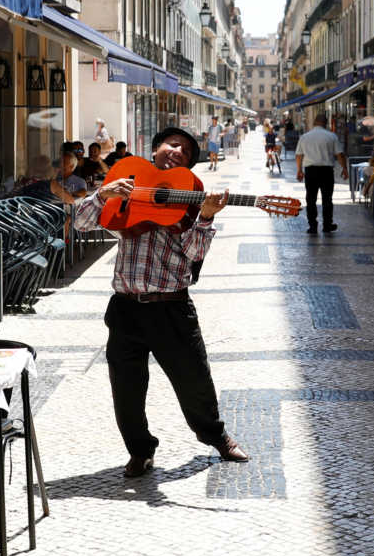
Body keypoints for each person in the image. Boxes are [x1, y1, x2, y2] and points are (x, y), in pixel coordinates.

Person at [68, 126, 251, 478]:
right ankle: (140, 451)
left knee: (194, 379)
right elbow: (80, 223)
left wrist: (208, 216)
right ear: (154, 150)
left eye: (186, 150)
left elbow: (195, 252)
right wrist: (102, 195)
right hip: (125, 307)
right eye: (172, 144)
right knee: (126, 389)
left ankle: (217, 436)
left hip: (171, 306)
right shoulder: (125, 182)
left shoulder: (189, 198)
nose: (177, 151)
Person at [296, 112, 343, 234]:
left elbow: (299, 155)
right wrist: (345, 169)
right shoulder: (331, 136)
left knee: (310, 199)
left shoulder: (305, 137)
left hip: (310, 171)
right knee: (327, 199)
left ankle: (312, 226)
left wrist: (299, 170)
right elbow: (339, 154)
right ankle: (327, 225)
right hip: (326, 171)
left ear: (314, 123)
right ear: (325, 123)